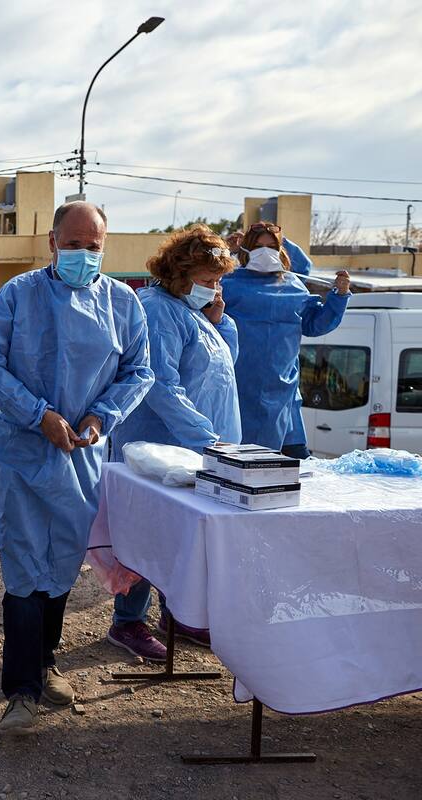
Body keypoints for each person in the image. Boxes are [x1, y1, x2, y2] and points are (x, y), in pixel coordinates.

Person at [0, 201, 154, 737]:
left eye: (93, 247)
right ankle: (21, 691)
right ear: (52, 242)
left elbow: (139, 371)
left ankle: (46, 662)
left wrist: (100, 416)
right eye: (73, 246)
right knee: (25, 573)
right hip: (24, 455)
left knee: (62, 567)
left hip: (81, 457)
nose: (83, 255)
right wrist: (38, 414)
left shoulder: (123, 303)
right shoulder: (18, 295)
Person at [105, 225, 241, 656]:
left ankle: (176, 615)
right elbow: (161, 385)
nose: (214, 288)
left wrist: (220, 320)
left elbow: (223, 365)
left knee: (178, 537)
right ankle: (128, 622)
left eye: (218, 281)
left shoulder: (191, 311)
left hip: (191, 446)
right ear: (180, 274)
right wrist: (207, 439)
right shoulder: (158, 310)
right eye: (207, 280)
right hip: (158, 444)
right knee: (146, 535)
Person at [223, 222, 350, 456]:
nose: (265, 252)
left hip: (283, 394)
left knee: (294, 463)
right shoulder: (227, 284)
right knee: (241, 462)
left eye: (271, 246)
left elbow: (314, 324)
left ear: (280, 250)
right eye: (257, 246)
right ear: (246, 250)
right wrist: (223, 252)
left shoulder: (293, 286)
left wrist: (339, 297)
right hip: (238, 390)